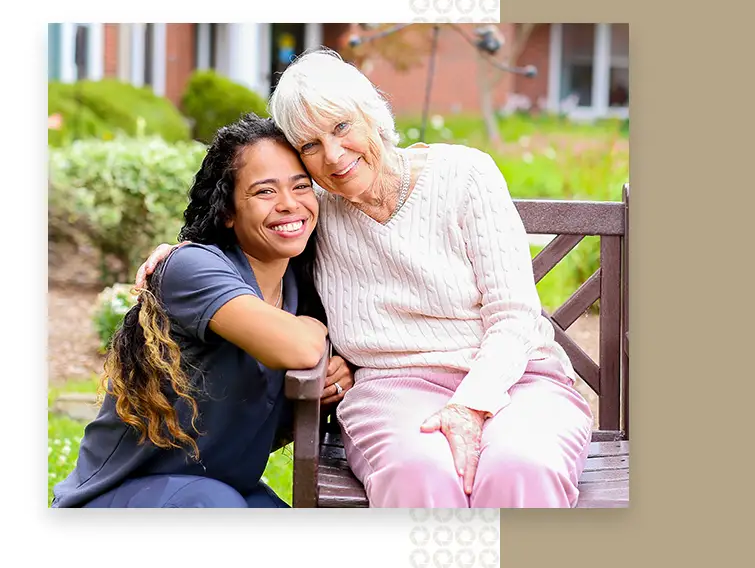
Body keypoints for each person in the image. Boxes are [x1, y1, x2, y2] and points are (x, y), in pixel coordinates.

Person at [136, 48, 594, 508]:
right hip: (392, 389)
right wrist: (182, 253)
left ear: (372, 114)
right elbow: (253, 231)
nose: (333, 156)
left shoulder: (465, 175)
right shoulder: (314, 207)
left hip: (518, 379)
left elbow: (515, 316)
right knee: (420, 474)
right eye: (310, 146)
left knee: (522, 467)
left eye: (341, 127)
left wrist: (471, 403)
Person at [51, 113, 354, 508]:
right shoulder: (191, 269)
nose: (289, 204)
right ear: (227, 211)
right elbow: (299, 348)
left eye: (301, 187)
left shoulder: (302, 284)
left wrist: (335, 378)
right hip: (120, 499)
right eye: (264, 192)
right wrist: (315, 329)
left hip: (218, 491)